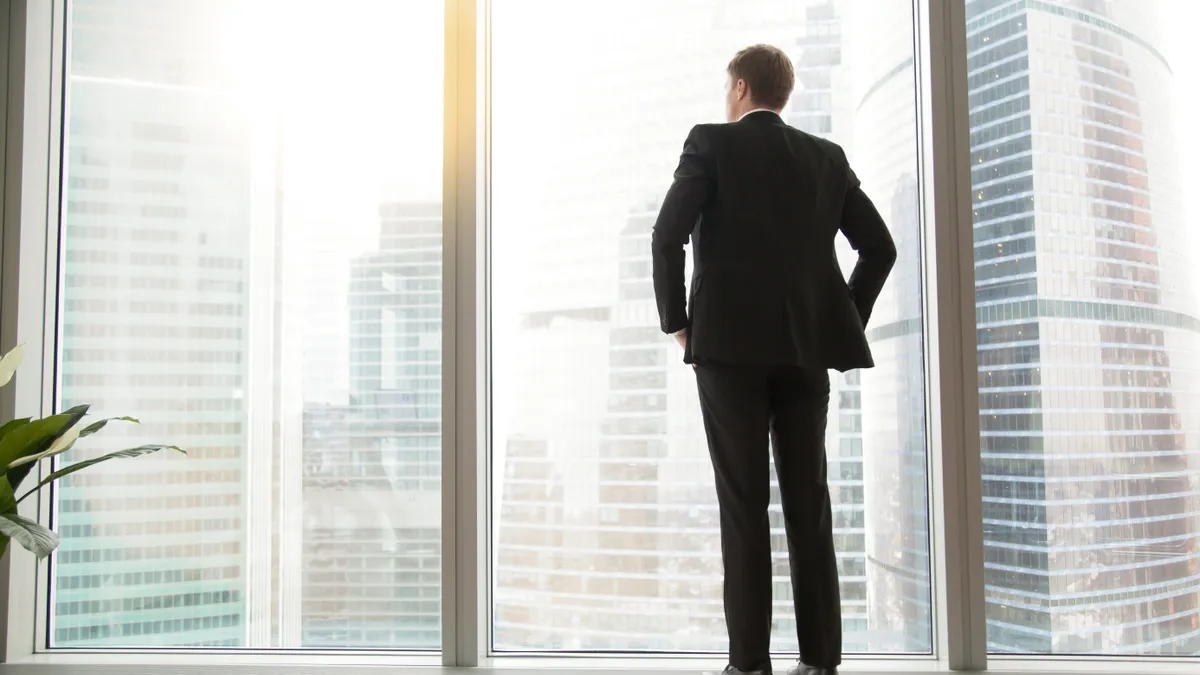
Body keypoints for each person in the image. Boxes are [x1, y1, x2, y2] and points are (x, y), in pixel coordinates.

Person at [650, 44, 896, 675]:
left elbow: (666, 234)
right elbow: (880, 249)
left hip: (728, 354)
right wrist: (836, 321)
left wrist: (679, 322)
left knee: (744, 504)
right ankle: (820, 662)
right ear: (781, 95)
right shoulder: (825, 157)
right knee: (807, 503)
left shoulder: (710, 143)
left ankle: (749, 666)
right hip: (803, 354)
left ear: (738, 87)